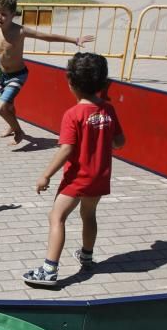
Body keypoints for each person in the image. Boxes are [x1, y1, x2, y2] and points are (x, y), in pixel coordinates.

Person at [22, 53, 125, 287]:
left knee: (56, 217)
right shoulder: (108, 110)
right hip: (99, 177)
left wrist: (45, 175)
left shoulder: (73, 114)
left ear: (71, 83)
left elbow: (66, 149)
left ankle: (49, 270)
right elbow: (120, 142)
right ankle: (87, 257)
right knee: (88, 215)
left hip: (77, 179)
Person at [0, 0, 94, 145]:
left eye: (4, 14)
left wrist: (74, 40)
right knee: (9, 105)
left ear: (13, 15)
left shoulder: (21, 31)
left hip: (18, 75)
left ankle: (19, 131)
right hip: (3, 74)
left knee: (1, 107)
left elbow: (47, 37)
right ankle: (11, 126)